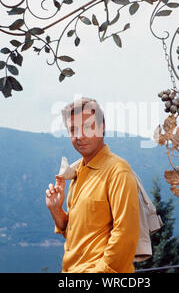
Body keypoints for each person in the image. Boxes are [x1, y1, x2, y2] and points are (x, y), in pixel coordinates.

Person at [45, 97, 140, 273]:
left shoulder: (117, 171)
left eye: (87, 127)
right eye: (73, 129)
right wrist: (56, 210)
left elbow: (126, 235)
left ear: (101, 127)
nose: (79, 136)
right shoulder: (78, 172)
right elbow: (81, 236)